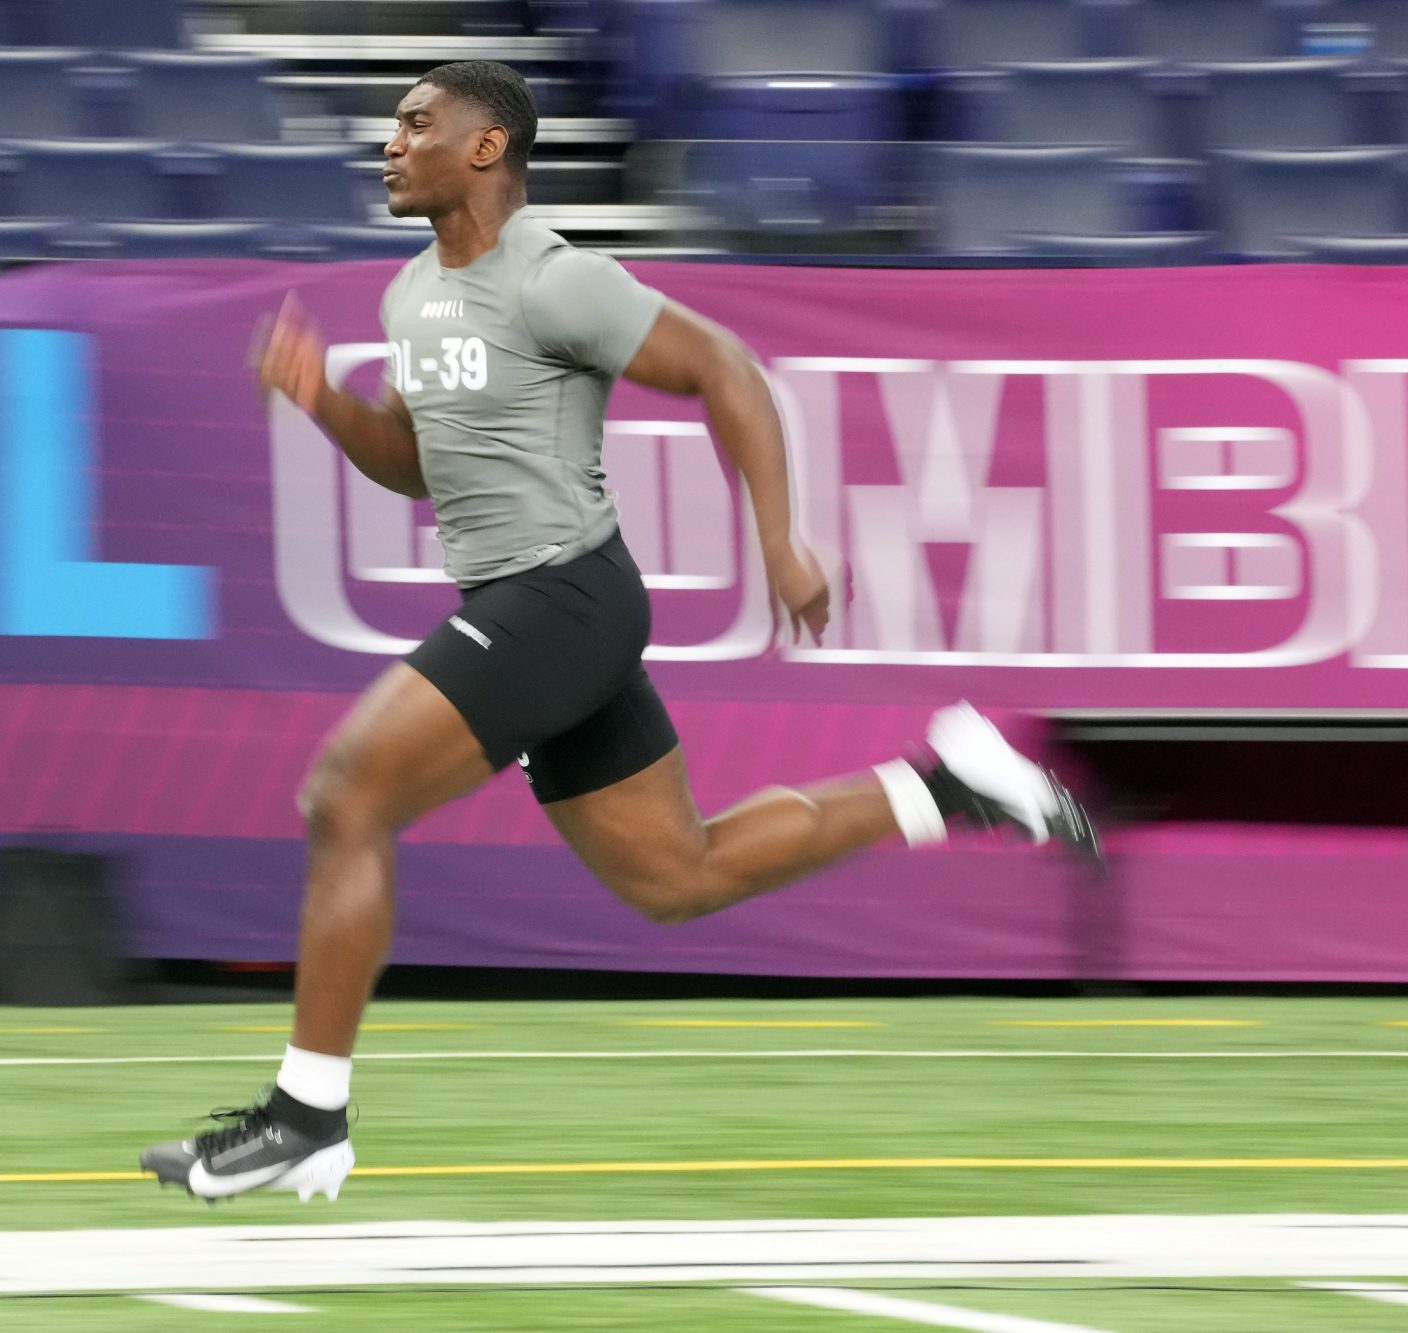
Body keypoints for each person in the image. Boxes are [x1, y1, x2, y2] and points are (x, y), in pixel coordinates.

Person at [140, 60, 1098, 1204]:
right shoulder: (410, 295)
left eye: (412, 125)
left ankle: (306, 1116)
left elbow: (724, 369)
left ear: (484, 148)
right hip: (537, 609)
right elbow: (413, 464)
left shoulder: (555, 281)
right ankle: (942, 787)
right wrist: (320, 399)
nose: (386, 144)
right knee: (675, 876)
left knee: (345, 796)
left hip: (559, 601)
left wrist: (780, 541)